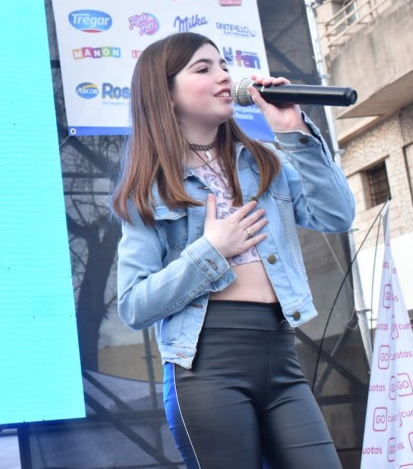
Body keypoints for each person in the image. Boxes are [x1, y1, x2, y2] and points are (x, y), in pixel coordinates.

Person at [113, 32, 355, 468]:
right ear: (165, 95)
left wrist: (294, 132)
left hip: (281, 356)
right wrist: (210, 251)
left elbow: (336, 216)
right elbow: (133, 305)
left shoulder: (265, 161)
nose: (223, 76)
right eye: (203, 69)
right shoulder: (147, 190)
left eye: (223, 65)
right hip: (206, 366)